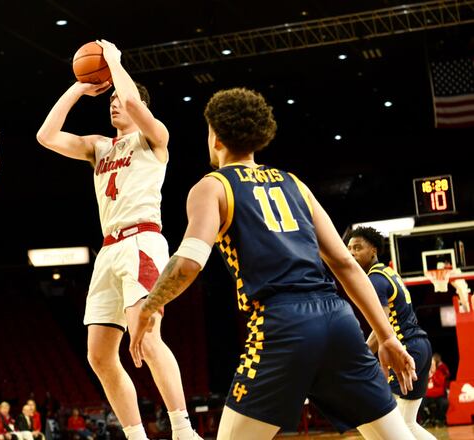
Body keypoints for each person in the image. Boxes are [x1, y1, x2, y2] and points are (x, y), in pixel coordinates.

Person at [129, 88, 418, 439]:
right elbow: (344, 262)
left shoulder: (213, 186)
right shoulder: (294, 183)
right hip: (338, 320)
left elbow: (188, 263)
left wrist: (149, 307)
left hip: (281, 324)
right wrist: (387, 337)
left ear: (215, 137)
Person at [36, 39, 197, 440]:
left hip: (142, 241)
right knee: (99, 355)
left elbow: (136, 104)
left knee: (150, 334)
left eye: (120, 100)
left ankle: (183, 429)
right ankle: (135, 435)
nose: (114, 104)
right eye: (111, 101)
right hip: (108, 250)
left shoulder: (154, 137)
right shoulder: (98, 146)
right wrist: (80, 86)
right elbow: (46, 135)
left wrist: (115, 62)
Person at [347, 226, 435, 439]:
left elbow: (382, 327)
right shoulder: (389, 272)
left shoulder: (375, 279)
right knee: (408, 424)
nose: (352, 253)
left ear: (374, 250)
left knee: (393, 426)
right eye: (349, 248)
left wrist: (363, 352)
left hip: (405, 348)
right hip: (421, 346)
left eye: (358, 248)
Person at [424, 355, 450, 426]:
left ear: (435, 365)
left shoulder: (439, 373)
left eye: (432, 364)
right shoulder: (425, 374)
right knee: (419, 403)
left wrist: (433, 374)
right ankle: (426, 419)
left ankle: (440, 419)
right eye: (430, 364)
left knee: (445, 403)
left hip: (438, 396)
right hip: (427, 396)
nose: (431, 366)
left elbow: (440, 384)